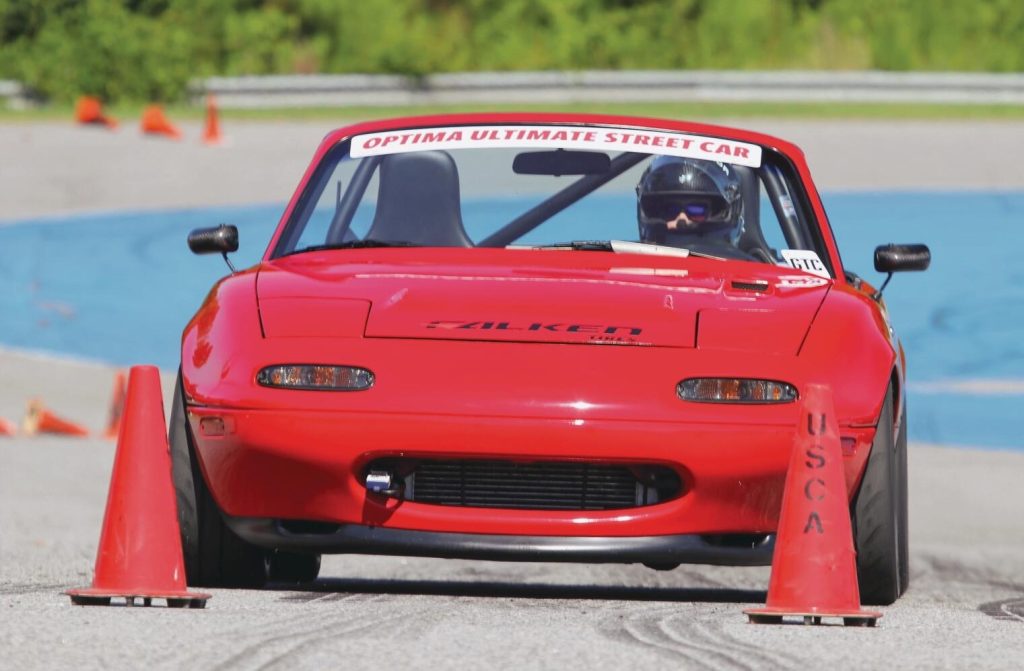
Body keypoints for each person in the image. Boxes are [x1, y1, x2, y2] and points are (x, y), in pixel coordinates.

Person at [635, 156, 747, 258]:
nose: (682, 220)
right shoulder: (632, 265)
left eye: (696, 211)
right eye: (670, 210)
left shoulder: (744, 270)